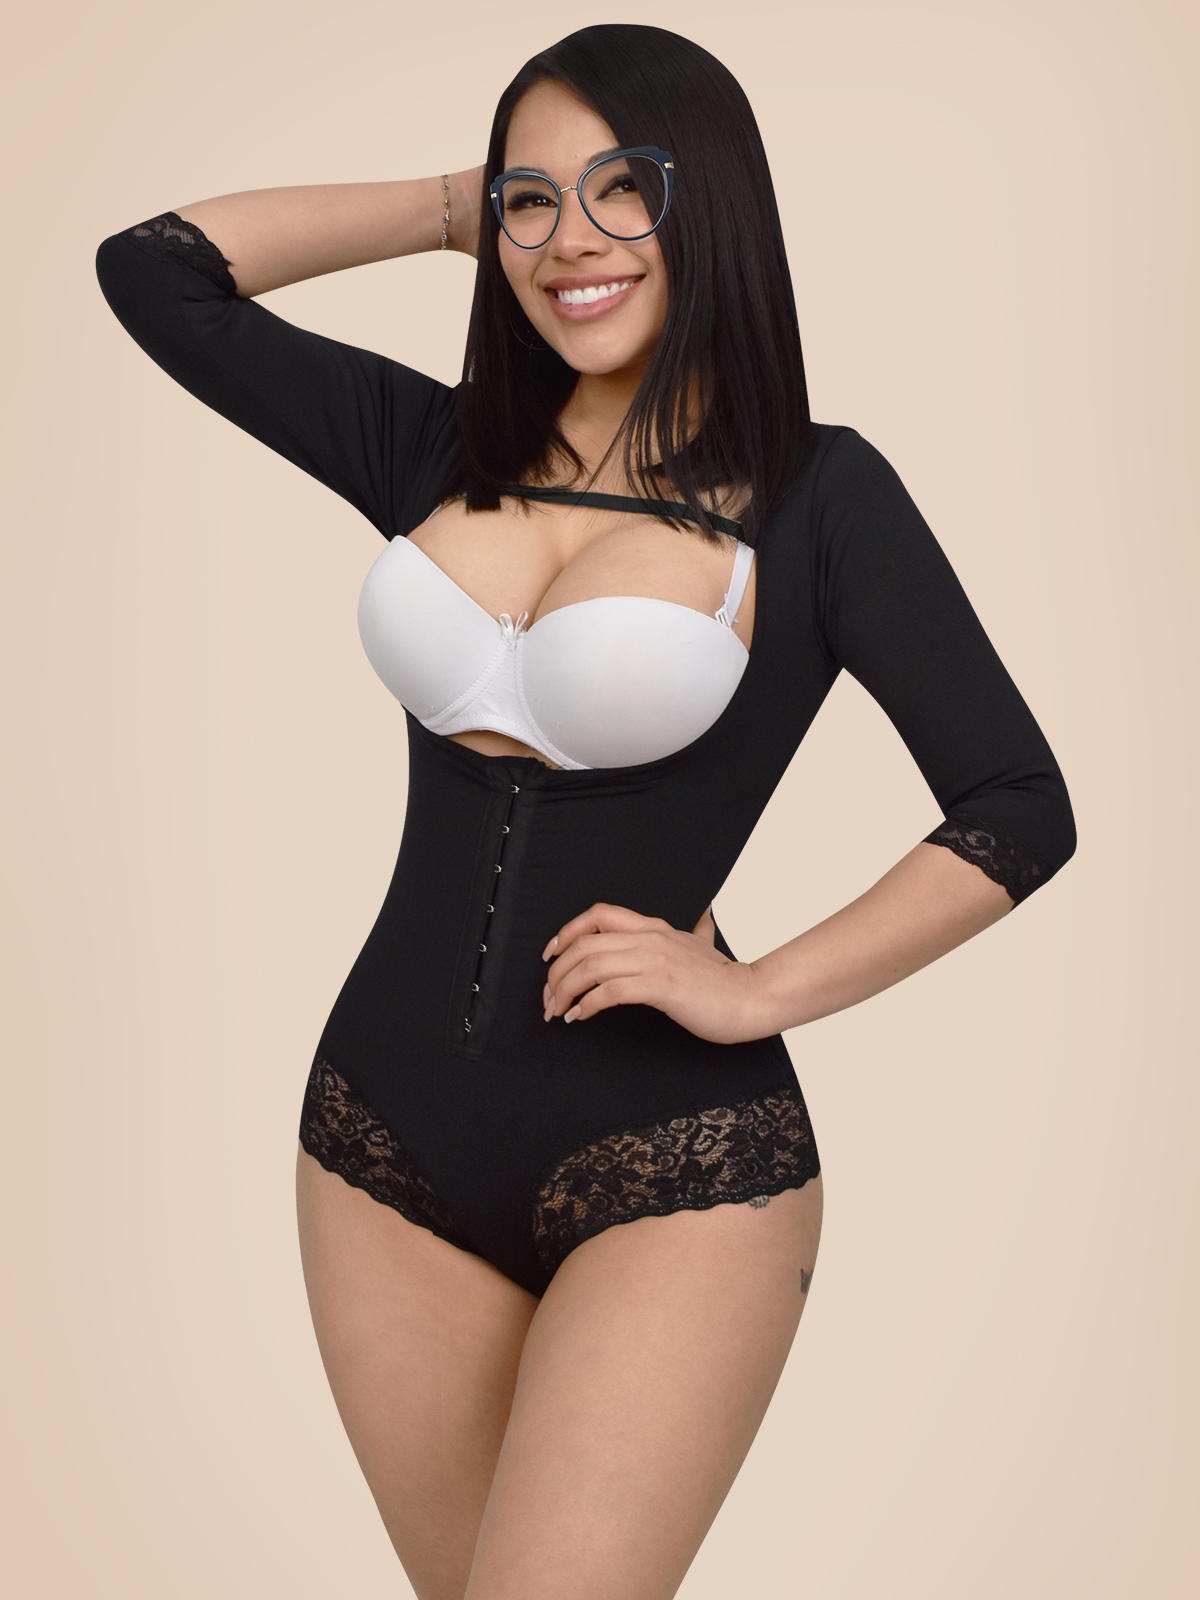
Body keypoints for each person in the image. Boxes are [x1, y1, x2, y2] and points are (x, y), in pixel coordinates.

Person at [95, 23, 1075, 1600]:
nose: (574, 241)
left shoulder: (818, 496)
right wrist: (452, 205)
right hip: (376, 1139)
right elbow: (156, 274)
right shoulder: (436, 445)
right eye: (534, 199)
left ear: (716, 207)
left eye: (627, 189)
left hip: (670, 1158)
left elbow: (1019, 804)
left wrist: (758, 988)